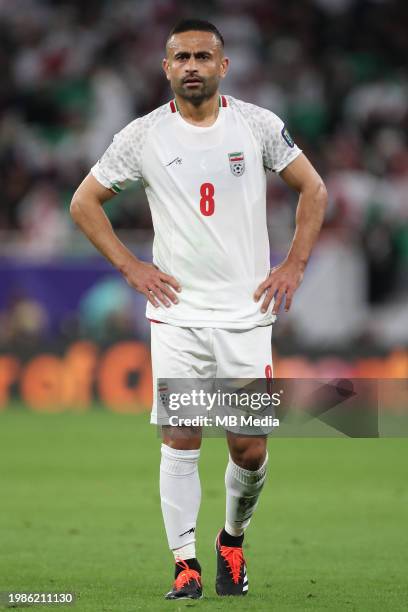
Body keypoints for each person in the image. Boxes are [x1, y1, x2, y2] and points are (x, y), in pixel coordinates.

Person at [70, 19, 327, 600]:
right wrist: (131, 267)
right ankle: (183, 564)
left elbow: (315, 190)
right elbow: (84, 203)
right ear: (166, 68)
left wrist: (293, 266)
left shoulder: (257, 125)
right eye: (181, 56)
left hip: (245, 314)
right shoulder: (142, 136)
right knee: (180, 437)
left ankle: (232, 540)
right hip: (178, 315)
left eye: (203, 56)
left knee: (249, 448)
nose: (192, 65)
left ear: (223, 66)